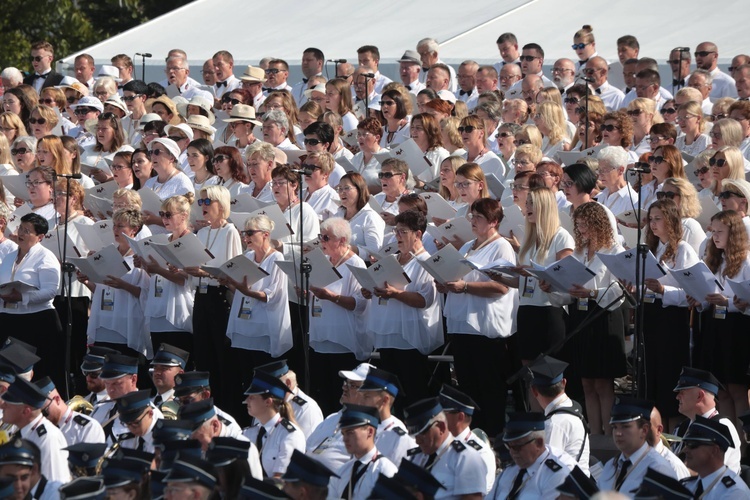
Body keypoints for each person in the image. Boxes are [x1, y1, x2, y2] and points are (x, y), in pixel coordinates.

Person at [437, 198, 517, 435]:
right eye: (472, 216)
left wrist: (465, 288)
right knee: (467, 384)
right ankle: (472, 433)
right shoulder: (467, 247)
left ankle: (492, 433)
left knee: (489, 385)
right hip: (462, 324)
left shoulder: (502, 247)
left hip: (485, 327)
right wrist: (444, 283)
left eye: (478, 217)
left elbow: (502, 286)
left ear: (493, 222)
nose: (472, 221)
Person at [361, 211, 442, 406]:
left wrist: (396, 294)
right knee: (391, 396)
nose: (397, 236)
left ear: (418, 234)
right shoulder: (392, 260)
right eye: (396, 231)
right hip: (388, 334)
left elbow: (425, 300)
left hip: (410, 339)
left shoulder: (425, 262)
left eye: (403, 232)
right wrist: (370, 291)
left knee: (415, 392)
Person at [641, 199, 699, 422]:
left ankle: (671, 429)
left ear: (671, 221)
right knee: (652, 374)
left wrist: (663, 289)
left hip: (672, 320)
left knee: (668, 375)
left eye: (659, 219)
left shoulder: (683, 249)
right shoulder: (652, 249)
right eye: (651, 220)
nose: (653, 224)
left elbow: (691, 292)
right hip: (652, 316)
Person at [307, 218, 371, 414]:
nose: (322, 241)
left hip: (343, 342)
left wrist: (331, 296)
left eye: (326, 237)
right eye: (320, 237)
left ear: (343, 240)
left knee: (340, 396)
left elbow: (359, 303)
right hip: (320, 337)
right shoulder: (323, 262)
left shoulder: (355, 263)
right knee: (322, 395)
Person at [0, 213, 63, 387]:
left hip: (36, 321)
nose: (21, 233)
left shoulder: (45, 257)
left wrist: (22, 296)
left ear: (40, 237)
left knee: (36, 374)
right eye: (21, 228)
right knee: (8, 371)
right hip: (8, 317)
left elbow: (50, 291)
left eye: (27, 231)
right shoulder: (9, 256)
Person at [224, 214, 291, 373]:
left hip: (263, 326)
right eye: (243, 233)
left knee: (263, 373)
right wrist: (230, 282)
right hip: (244, 324)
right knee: (245, 373)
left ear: (265, 234)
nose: (245, 237)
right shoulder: (247, 256)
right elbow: (241, 291)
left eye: (249, 233)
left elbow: (274, 295)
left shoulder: (276, 257)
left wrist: (248, 291)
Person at [138, 194, 196, 356]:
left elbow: (185, 280)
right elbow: (154, 275)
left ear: (183, 215)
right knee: (159, 362)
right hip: (158, 307)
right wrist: (144, 265)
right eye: (162, 214)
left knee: (177, 362)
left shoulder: (191, 241)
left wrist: (159, 270)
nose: (164, 219)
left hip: (178, 309)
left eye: (168, 215)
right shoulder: (161, 239)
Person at [404, 397, 487, 497]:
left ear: (441, 427)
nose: (417, 441)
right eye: (415, 436)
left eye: (422, 434)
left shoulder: (465, 458)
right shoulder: (417, 457)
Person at [671, 366, 742, 474]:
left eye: (682, 392)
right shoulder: (683, 427)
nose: (677, 397)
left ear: (699, 396)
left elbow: (710, 472)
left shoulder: (721, 427)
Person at [596, 397, 675, 492]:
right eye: (615, 427)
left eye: (625, 426)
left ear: (644, 430)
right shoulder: (611, 466)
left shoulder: (658, 468)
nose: (618, 433)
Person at [1, 377, 70, 483]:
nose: (2, 405)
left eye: (8, 403)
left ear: (26, 411)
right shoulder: (26, 432)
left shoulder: (48, 438)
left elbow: (53, 487)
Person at [528, 356, 590, 474]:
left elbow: (546, 469)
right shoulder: (573, 406)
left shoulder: (554, 424)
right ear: (564, 383)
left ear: (534, 391)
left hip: (567, 488)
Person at [487, 412, 571, 498]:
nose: (512, 452)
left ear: (538, 443)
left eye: (517, 446)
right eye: (509, 446)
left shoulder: (556, 476)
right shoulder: (509, 471)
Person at [242, 370, 306, 478]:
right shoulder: (248, 433)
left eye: (252, 397)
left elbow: (281, 479)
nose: (246, 401)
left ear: (268, 402)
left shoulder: (290, 434)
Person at [327, 404, 398, 499]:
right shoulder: (342, 472)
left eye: (350, 433)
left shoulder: (385, 471)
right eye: (343, 433)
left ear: (370, 432)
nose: (345, 439)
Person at [437, 384, 496, 494]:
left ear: (460, 417)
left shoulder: (480, 453)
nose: (436, 417)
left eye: (442, 413)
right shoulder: (438, 444)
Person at [680, 416, 750, 498]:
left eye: (692, 445)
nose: (685, 450)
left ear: (714, 450)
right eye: (686, 444)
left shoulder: (734, 492)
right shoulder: (688, 485)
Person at [141, 138, 194, 233]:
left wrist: (155, 220)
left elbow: (187, 221)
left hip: (170, 241)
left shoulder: (182, 182)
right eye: (151, 152)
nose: (153, 156)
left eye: (157, 152)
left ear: (171, 158)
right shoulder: (150, 182)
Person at [335, 172, 385, 261]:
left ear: (359, 190)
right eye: (340, 188)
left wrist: (352, 249)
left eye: (347, 188)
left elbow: (375, 251)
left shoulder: (370, 217)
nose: (342, 192)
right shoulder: (338, 214)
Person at [660, 176, 706, 253]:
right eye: (661, 195)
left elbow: (696, 261)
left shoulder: (689, 226)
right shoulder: (661, 223)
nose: (664, 199)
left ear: (683, 198)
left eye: (669, 195)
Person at [459, 115, 505, 180]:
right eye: (461, 129)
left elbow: (496, 189)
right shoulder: (459, 160)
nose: (463, 133)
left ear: (481, 133)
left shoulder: (493, 161)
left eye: (468, 129)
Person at [351, 117, 385, 195]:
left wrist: (363, 189)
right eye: (359, 134)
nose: (360, 138)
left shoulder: (386, 158)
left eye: (364, 134)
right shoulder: (356, 157)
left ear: (377, 137)